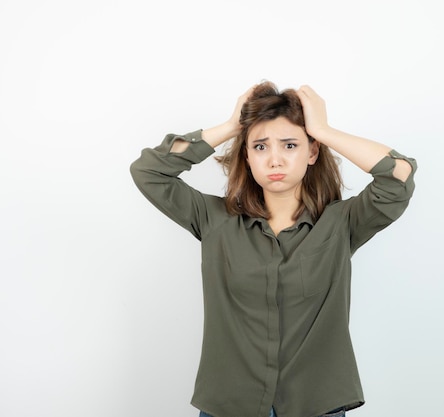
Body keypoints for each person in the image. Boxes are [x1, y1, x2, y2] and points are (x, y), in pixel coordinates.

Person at [130, 81, 417, 417]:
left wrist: (322, 130)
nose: (275, 159)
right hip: (228, 404)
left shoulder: (341, 223)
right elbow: (149, 172)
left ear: (312, 152)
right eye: (261, 147)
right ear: (247, 156)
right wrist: (231, 126)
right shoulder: (214, 219)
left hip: (316, 404)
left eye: (291, 145)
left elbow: (399, 175)